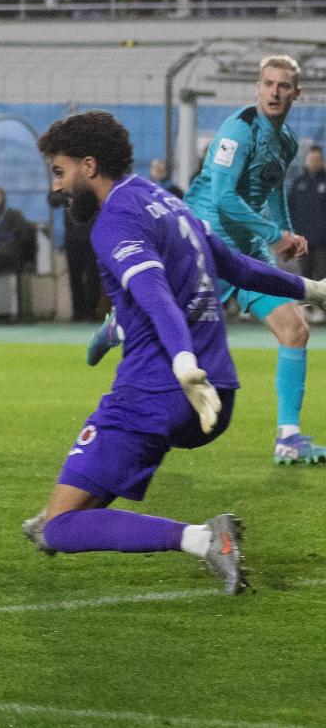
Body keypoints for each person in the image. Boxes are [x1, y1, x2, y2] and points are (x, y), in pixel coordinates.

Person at [23, 111, 326, 593]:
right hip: (217, 393)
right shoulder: (167, 202)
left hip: (158, 391)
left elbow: (155, 292)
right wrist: (311, 289)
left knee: (59, 529)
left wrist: (183, 363)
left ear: (89, 165)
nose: (56, 186)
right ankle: (62, 512)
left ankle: (205, 539)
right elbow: (237, 267)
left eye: (60, 172)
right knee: (71, 507)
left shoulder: (112, 222)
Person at [87, 55, 324, 465]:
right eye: (268, 83)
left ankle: (288, 437)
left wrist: (284, 234)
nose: (274, 92)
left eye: (283, 86)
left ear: (295, 93)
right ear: (257, 88)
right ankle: (120, 326)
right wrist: (273, 234)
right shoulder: (239, 131)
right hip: (202, 243)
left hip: (245, 250)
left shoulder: (285, 141)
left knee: (295, 328)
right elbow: (223, 198)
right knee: (172, 331)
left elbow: (273, 189)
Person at [287, 145, 326, 282]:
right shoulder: (298, 183)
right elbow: (289, 209)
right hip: (302, 241)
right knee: (304, 280)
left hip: (323, 243)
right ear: (305, 160)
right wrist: (293, 233)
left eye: (317, 159)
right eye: (311, 159)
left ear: (322, 161)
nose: (314, 162)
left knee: (321, 279)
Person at [0, 187, 35, 276]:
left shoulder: (14, 215)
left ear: (3, 199)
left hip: (8, 255)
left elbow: (21, 235)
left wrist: (3, 246)